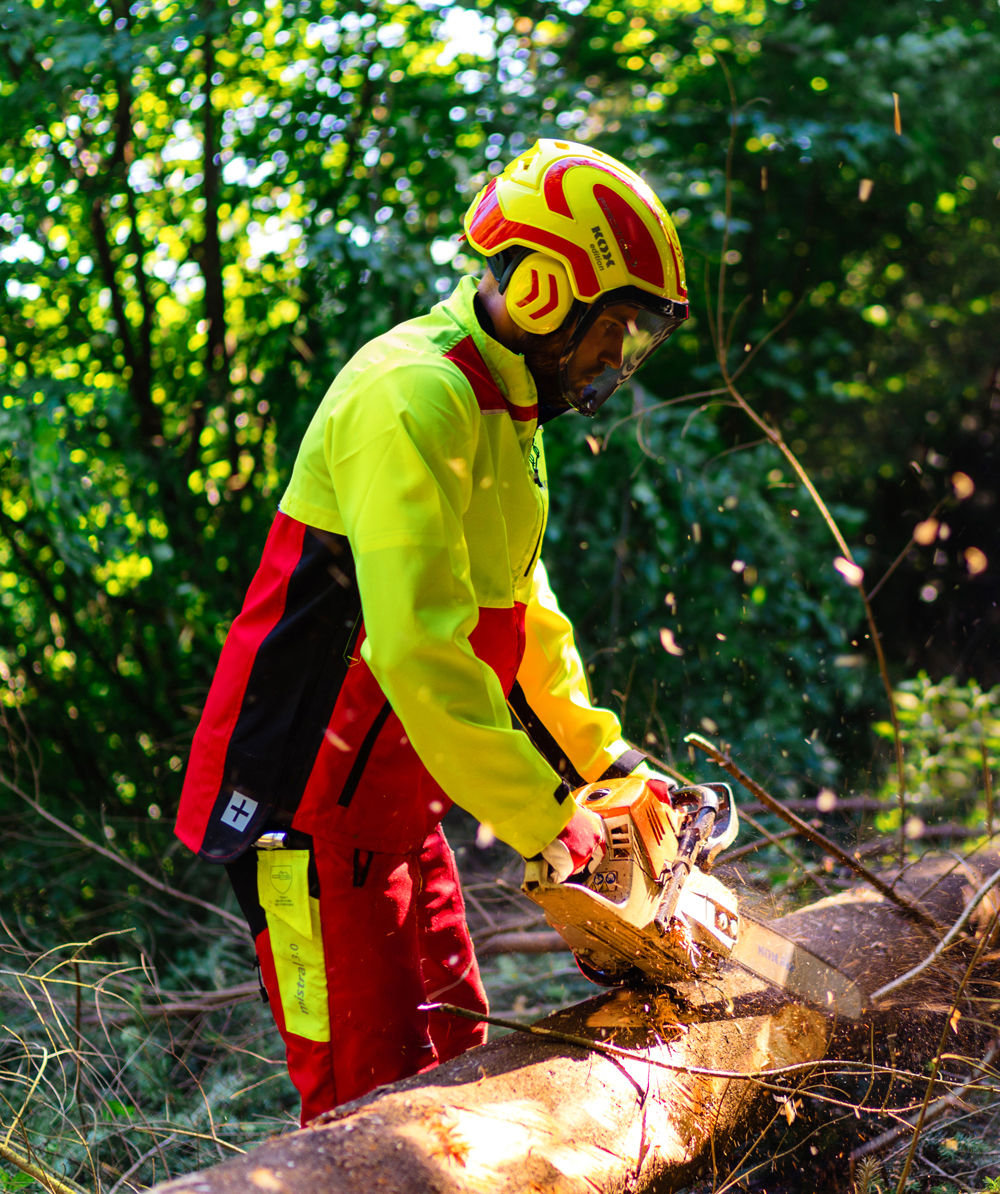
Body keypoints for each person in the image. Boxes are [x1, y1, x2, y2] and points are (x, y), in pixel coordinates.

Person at [175, 138, 691, 1124]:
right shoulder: (412, 396)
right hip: (302, 811)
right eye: (614, 331)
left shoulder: (509, 408)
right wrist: (553, 821)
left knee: (454, 1050)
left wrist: (600, 757)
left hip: (396, 804)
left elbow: (522, 616)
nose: (616, 361)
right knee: (365, 1097)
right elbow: (414, 648)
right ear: (545, 294)